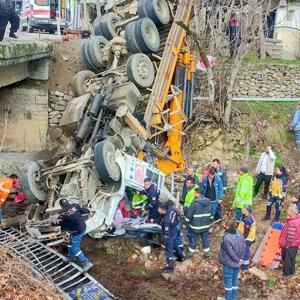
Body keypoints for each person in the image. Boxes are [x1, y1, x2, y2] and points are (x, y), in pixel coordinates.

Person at [51, 198, 93, 272]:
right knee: (69, 243)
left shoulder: (62, 213)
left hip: (77, 232)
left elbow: (58, 223)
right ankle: (71, 257)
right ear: (68, 202)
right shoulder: (75, 206)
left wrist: (52, 222)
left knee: (75, 248)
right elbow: (83, 210)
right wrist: (89, 210)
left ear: (61, 206)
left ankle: (86, 263)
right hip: (81, 227)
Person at [219, 220, 245, 300]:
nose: (224, 226)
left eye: (225, 225)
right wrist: (241, 259)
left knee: (228, 282)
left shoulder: (227, 238)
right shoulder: (240, 234)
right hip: (237, 263)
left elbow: (230, 252)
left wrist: (237, 260)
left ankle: (228, 298)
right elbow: (244, 247)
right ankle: (234, 298)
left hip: (229, 263)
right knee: (234, 280)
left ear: (228, 227)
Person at [185, 187, 213, 259]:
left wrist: (186, 222)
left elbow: (189, 215)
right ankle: (207, 254)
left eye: (195, 193)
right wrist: (211, 221)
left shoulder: (194, 203)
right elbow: (211, 214)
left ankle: (190, 253)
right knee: (205, 239)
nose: (194, 194)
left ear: (198, 194)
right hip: (205, 226)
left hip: (195, 226)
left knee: (193, 239)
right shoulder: (209, 202)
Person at [158, 202, 184, 273]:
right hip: (175, 230)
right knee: (175, 244)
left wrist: (164, 242)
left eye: (159, 209)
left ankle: (170, 266)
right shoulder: (171, 209)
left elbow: (167, 233)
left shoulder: (166, 220)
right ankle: (180, 256)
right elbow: (178, 213)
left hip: (170, 234)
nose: (158, 210)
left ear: (163, 210)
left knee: (169, 249)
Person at [279, 204, 300, 277]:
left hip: (290, 244)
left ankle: (286, 274)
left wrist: (287, 245)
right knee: (292, 258)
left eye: (288, 209)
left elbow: (291, 235)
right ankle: (292, 271)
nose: (287, 210)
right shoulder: (296, 219)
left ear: (292, 211)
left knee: (287, 259)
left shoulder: (292, 222)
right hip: (295, 244)